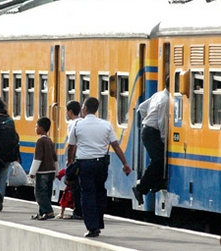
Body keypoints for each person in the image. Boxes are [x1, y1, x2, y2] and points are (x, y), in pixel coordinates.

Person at [68, 97, 131, 238]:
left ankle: (92, 227)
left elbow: (71, 145)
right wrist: (125, 164)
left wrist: (70, 160)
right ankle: (99, 223)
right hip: (101, 164)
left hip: (84, 164)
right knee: (100, 192)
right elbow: (116, 146)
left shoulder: (77, 125)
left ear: (84, 109)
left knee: (87, 194)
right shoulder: (106, 125)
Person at [132, 76, 170, 205]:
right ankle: (141, 187)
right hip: (153, 132)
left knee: (158, 160)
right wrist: (165, 140)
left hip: (147, 130)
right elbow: (162, 122)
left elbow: (142, 108)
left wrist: (147, 120)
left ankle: (155, 184)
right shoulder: (166, 100)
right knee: (158, 160)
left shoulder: (158, 95)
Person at [58, 100, 83, 220]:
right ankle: (80, 210)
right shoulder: (83, 122)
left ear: (70, 111)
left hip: (77, 160)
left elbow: (72, 144)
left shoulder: (72, 124)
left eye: (67, 111)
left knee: (75, 187)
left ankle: (77, 211)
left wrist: (70, 159)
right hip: (86, 158)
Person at [29, 117, 58, 220]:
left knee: (39, 194)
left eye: (36, 126)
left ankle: (49, 211)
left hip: (42, 172)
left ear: (41, 128)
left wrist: (32, 172)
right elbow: (55, 158)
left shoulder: (40, 141)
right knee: (47, 193)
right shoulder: (50, 141)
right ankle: (42, 212)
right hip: (51, 171)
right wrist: (56, 171)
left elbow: (38, 158)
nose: (35, 128)